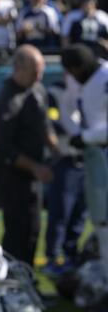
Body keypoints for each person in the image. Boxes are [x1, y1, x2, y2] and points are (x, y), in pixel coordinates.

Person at [0, 44, 54, 266]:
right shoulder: (8, 100)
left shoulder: (37, 90)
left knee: (33, 228)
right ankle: (13, 280)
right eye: (34, 71)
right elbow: (4, 149)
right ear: (19, 68)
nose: (39, 76)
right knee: (17, 230)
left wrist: (60, 152)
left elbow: (46, 128)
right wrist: (35, 167)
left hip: (33, 175)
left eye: (41, 71)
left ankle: (26, 277)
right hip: (13, 176)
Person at [62, 44, 108, 285]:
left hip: (102, 155)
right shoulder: (85, 83)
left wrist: (86, 137)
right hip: (97, 161)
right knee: (101, 223)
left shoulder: (104, 78)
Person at [42, 74, 86, 275]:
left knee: (80, 212)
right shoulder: (55, 91)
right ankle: (53, 256)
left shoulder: (90, 88)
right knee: (61, 211)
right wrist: (78, 134)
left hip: (86, 159)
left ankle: (71, 254)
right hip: (65, 158)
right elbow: (51, 120)